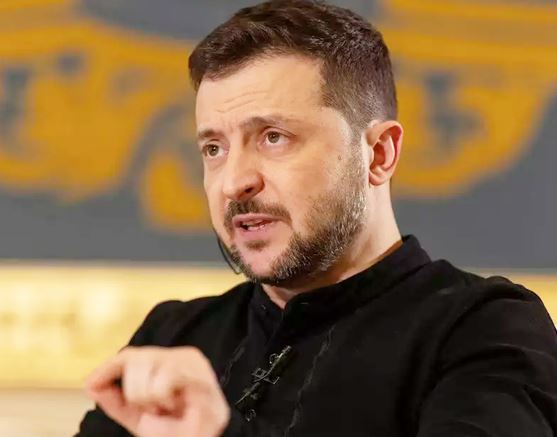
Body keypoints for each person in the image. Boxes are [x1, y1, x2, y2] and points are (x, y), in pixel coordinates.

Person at [75, 1, 557, 436]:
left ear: (379, 154)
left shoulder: (487, 328)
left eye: (273, 137)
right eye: (214, 148)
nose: (234, 182)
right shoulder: (175, 335)